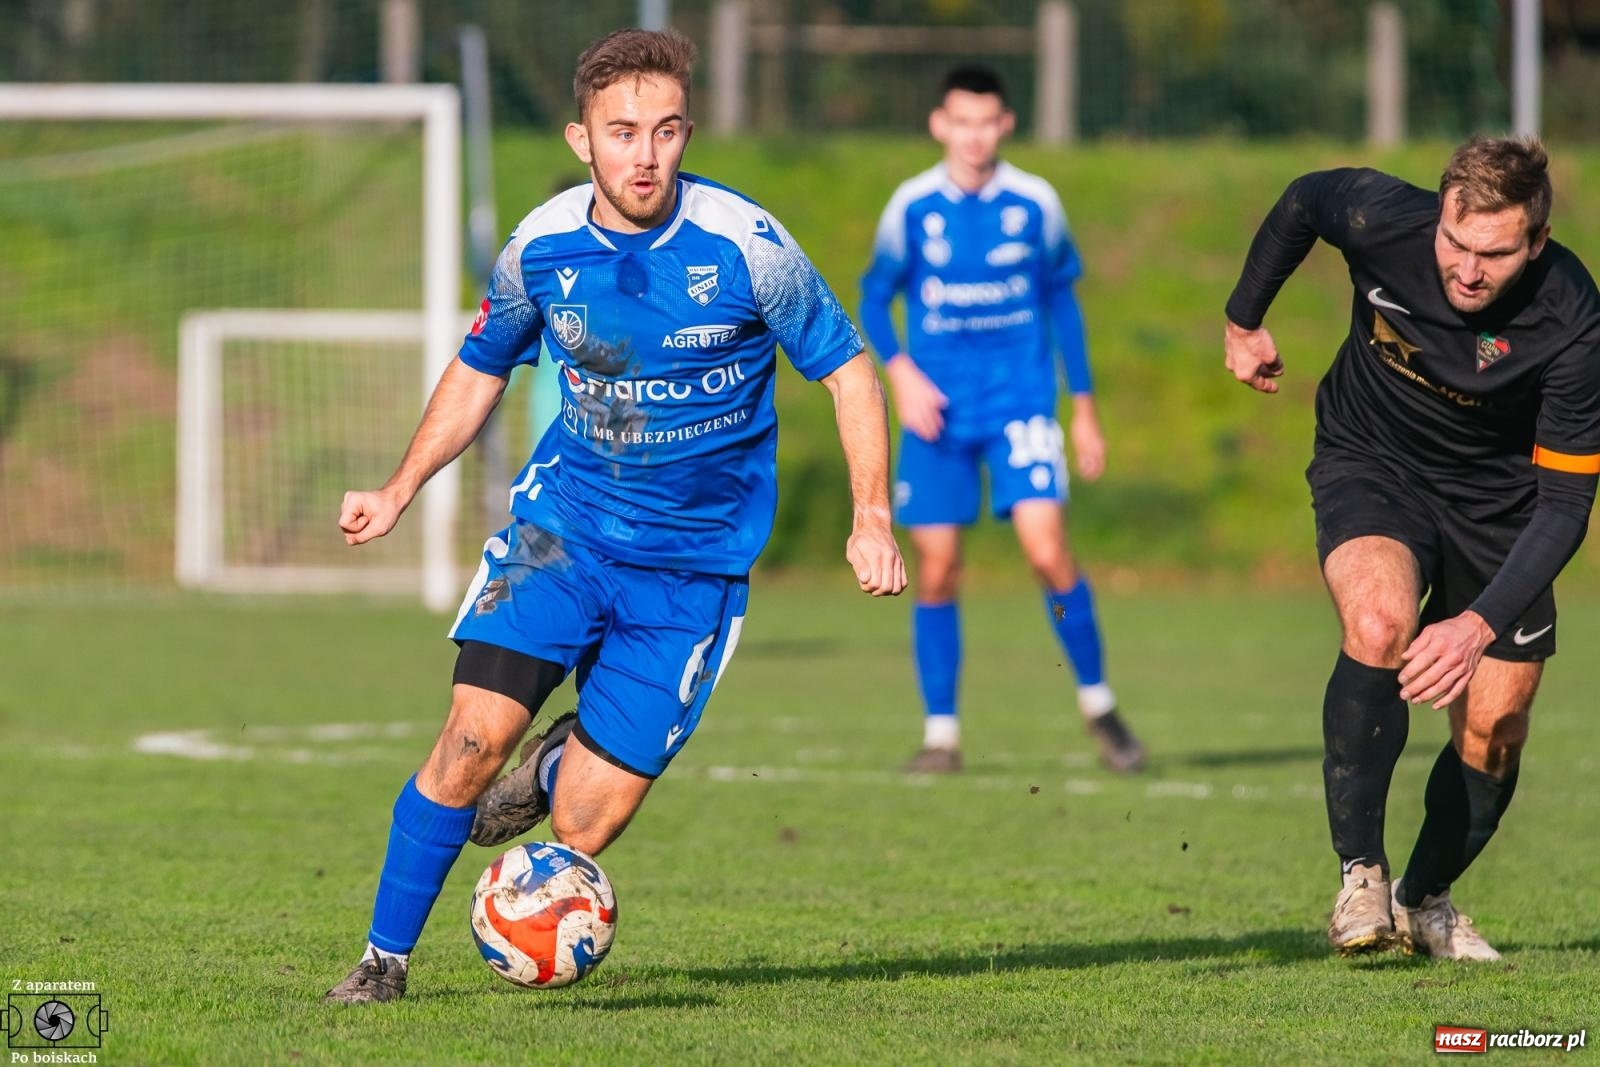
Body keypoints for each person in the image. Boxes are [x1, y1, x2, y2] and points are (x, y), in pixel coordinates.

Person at [324, 27, 906, 1004]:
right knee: (469, 741)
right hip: (564, 533)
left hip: (691, 571)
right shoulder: (542, 247)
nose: (646, 155)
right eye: (623, 132)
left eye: (666, 131)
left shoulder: (747, 249)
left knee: (583, 825)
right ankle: (384, 960)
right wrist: (397, 486)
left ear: (687, 135)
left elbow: (848, 370)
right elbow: (480, 366)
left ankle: (557, 762)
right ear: (581, 138)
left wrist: (871, 515)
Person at [1223, 136, 1600, 959]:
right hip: (1374, 459)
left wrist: (1475, 625)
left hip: (1502, 506)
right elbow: (1302, 200)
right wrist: (1244, 318)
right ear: (1439, 215)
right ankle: (1361, 874)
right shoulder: (1382, 216)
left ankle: (1422, 899)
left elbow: (1568, 503)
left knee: (1497, 727)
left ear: (1537, 242)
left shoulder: (1573, 316)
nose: (1467, 270)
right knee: (1378, 623)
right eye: (1455, 242)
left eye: (1494, 255)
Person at [858, 65, 1144, 776]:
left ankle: (1099, 703)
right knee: (937, 568)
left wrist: (1084, 409)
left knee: (1048, 553)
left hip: (1020, 403)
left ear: (1005, 124)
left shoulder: (1035, 202)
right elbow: (873, 296)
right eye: (962, 121)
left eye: (987, 122)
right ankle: (941, 734)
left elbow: (1063, 304)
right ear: (940, 124)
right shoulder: (912, 205)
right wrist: (901, 372)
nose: (975, 136)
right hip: (937, 414)